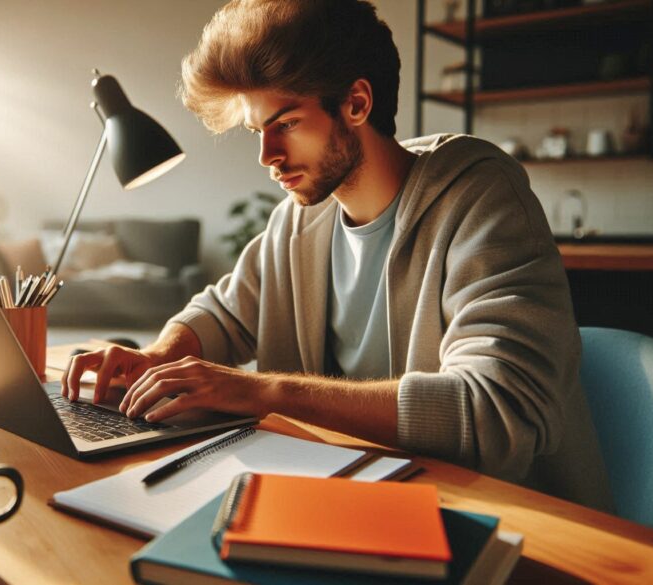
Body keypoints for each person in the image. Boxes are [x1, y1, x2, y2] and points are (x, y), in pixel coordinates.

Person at [63, 0, 613, 510]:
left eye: (286, 125)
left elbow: (492, 411)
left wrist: (262, 391)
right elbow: (223, 313)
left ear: (356, 103)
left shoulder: (480, 199)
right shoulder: (301, 219)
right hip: (355, 500)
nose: (267, 156)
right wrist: (160, 356)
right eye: (258, 131)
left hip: (503, 517)